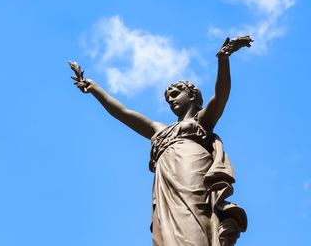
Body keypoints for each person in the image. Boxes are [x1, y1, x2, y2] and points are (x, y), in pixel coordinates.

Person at [70, 36, 252, 246]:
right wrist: (95, 89)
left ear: (192, 95)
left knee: (193, 218)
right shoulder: (159, 129)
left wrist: (223, 59)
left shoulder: (202, 121)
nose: (171, 100)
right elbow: (123, 113)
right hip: (166, 182)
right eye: (168, 99)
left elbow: (221, 96)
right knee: (167, 231)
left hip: (191, 172)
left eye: (176, 94)